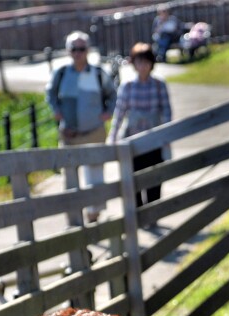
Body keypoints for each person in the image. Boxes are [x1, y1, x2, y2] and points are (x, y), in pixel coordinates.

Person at [46, 31, 117, 224]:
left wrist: (107, 113)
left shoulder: (97, 73)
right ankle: (74, 216)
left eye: (81, 49)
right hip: (69, 134)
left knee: (95, 175)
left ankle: (93, 215)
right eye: (74, 49)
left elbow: (112, 94)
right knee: (70, 178)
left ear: (88, 50)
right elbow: (50, 94)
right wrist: (56, 110)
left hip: (94, 131)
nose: (78, 53)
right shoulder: (61, 74)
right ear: (68, 51)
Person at [107, 42, 172, 208]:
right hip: (133, 142)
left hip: (154, 141)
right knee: (134, 181)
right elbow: (119, 114)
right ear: (134, 63)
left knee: (154, 180)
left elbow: (166, 113)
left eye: (146, 62)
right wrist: (113, 137)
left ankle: (153, 213)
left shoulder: (159, 85)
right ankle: (139, 216)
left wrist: (166, 137)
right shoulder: (127, 86)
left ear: (151, 64)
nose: (143, 66)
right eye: (139, 62)